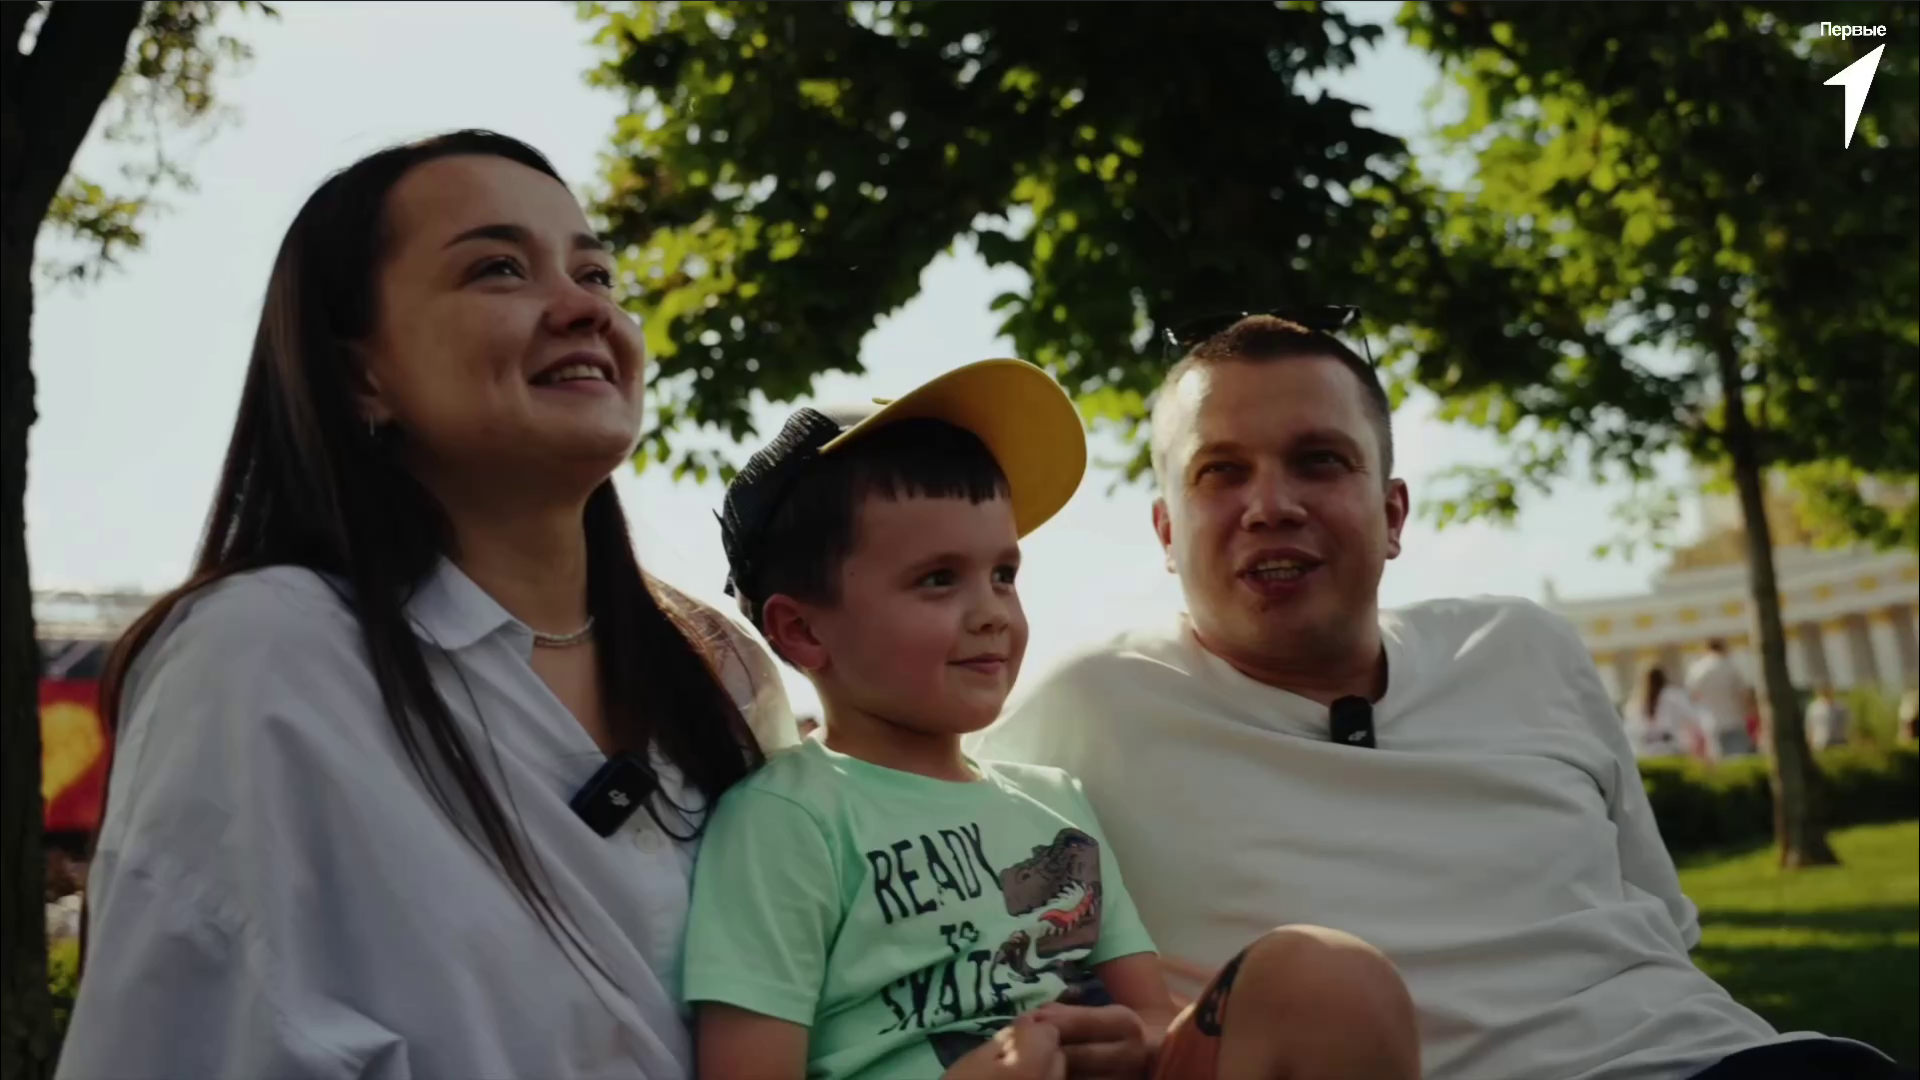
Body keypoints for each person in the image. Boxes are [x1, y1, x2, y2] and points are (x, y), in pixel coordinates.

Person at [974, 314, 1912, 1080]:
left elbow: (1661, 928)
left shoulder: (1526, 648)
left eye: (1319, 460)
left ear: (1392, 515)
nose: (1272, 505)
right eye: (1222, 471)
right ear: (1166, 531)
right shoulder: (1089, 710)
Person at [59, 131, 802, 1080]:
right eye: (499, 269)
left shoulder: (721, 670)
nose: (584, 307)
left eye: (597, 275)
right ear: (359, 377)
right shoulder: (265, 653)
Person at [682, 361, 1420, 1080]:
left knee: (1326, 976)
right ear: (803, 631)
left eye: (1003, 575)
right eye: (938, 580)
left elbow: (1151, 1020)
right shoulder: (786, 821)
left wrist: (1127, 1041)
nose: (992, 614)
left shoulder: (1054, 804)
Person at [1686, 638, 1757, 760]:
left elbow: (1692, 697)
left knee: (1720, 763)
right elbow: (1744, 695)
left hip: (1711, 724)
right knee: (1739, 760)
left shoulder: (1696, 670)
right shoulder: (1731, 666)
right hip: (1734, 721)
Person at [1628, 664, 1707, 760]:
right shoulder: (1672, 695)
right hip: (1670, 748)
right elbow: (1692, 718)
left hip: (1646, 751)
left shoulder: (1638, 700)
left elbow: (1632, 729)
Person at [1804, 686, 1852, 751]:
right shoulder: (1814, 707)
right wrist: (1810, 744)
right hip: (1819, 744)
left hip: (1839, 744)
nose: (1826, 691)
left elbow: (1848, 724)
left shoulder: (1841, 707)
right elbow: (1809, 727)